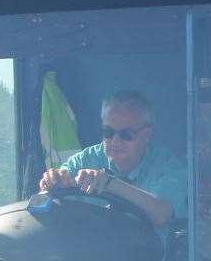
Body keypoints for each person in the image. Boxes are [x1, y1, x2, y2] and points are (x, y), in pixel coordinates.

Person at [39, 90, 186, 229]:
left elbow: (162, 214)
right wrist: (52, 184)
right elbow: (43, 204)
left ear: (147, 135)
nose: (115, 141)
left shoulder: (168, 166)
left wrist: (109, 183)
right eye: (108, 132)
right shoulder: (84, 160)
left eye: (126, 134)